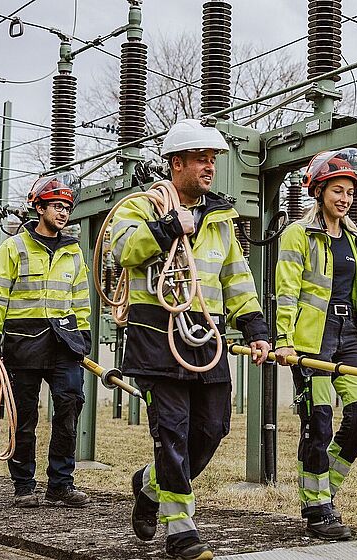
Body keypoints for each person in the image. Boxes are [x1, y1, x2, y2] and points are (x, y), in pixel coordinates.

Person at [108, 118, 271, 560]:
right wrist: (166, 228)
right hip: (156, 337)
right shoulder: (140, 207)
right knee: (173, 434)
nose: (210, 166)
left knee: (212, 430)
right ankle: (181, 532)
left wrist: (256, 329)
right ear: (176, 162)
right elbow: (121, 250)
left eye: (213, 159)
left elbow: (237, 278)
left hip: (206, 336)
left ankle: (147, 484)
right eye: (201, 158)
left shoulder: (219, 219)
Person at [273, 148, 357, 541]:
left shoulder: (352, 237)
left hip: (348, 333)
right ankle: (317, 510)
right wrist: (283, 340)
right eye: (337, 190)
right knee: (318, 421)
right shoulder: (298, 234)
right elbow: (286, 291)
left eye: (350, 191)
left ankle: (323, 490)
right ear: (318, 192)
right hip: (311, 339)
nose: (345, 198)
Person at [0, 173, 92, 508]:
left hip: (64, 343)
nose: (63, 213)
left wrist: (82, 335)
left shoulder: (74, 252)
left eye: (67, 208)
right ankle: (24, 486)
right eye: (57, 206)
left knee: (69, 408)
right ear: (39, 207)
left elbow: (81, 299)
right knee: (23, 415)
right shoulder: (12, 248)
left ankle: (60, 484)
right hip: (22, 344)